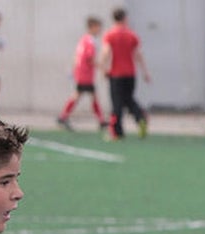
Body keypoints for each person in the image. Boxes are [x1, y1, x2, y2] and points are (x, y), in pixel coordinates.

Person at [100, 7, 150, 141]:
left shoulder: (110, 34)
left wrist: (103, 68)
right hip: (130, 74)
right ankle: (140, 117)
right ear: (124, 18)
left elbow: (105, 52)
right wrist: (145, 72)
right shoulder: (131, 35)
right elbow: (138, 54)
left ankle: (116, 132)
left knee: (117, 102)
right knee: (128, 99)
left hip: (116, 74)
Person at [57, 16, 108, 132]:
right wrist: (102, 68)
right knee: (86, 95)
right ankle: (63, 117)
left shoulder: (84, 39)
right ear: (93, 27)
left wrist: (74, 70)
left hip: (81, 72)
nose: (100, 30)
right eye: (98, 27)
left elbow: (78, 56)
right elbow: (89, 58)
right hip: (85, 74)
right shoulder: (90, 41)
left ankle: (64, 116)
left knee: (83, 95)